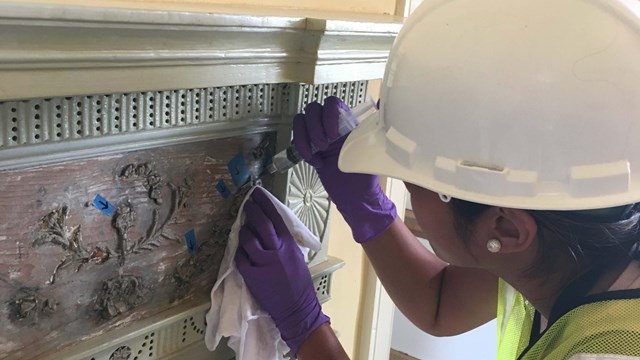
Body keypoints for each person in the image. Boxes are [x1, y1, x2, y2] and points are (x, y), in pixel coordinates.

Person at [235, 0, 640, 359]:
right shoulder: (576, 239)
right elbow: (441, 302)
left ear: (505, 227)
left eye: (412, 184)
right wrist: (366, 207)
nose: (401, 186)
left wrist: (305, 328)